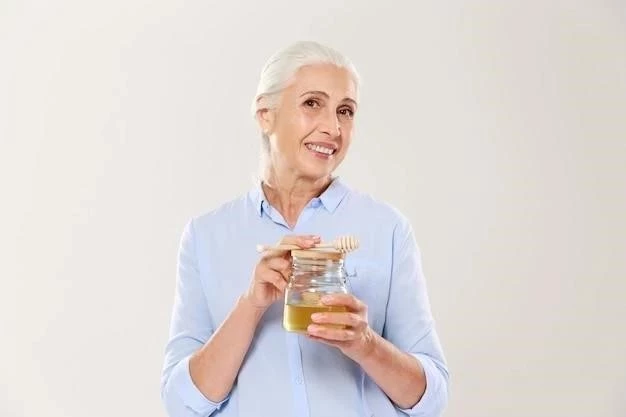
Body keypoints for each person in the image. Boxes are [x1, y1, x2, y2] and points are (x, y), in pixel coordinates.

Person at [160, 41, 449, 417]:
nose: (333, 128)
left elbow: (432, 399)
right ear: (265, 115)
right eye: (312, 103)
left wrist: (365, 344)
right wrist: (252, 304)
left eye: (345, 111)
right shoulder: (206, 236)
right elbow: (182, 404)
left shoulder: (388, 229)